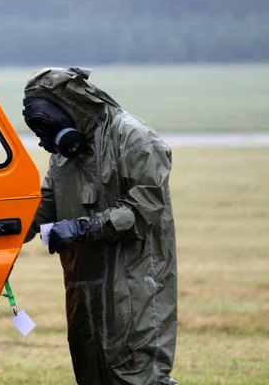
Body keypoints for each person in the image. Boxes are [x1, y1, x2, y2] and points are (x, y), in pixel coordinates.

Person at [22, 67, 178, 385]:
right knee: (92, 375)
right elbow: (42, 208)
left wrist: (81, 228)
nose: (44, 143)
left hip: (133, 291)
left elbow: (140, 209)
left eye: (46, 130)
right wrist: (0, 229)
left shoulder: (134, 139)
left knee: (137, 377)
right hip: (84, 294)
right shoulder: (63, 158)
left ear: (70, 110)